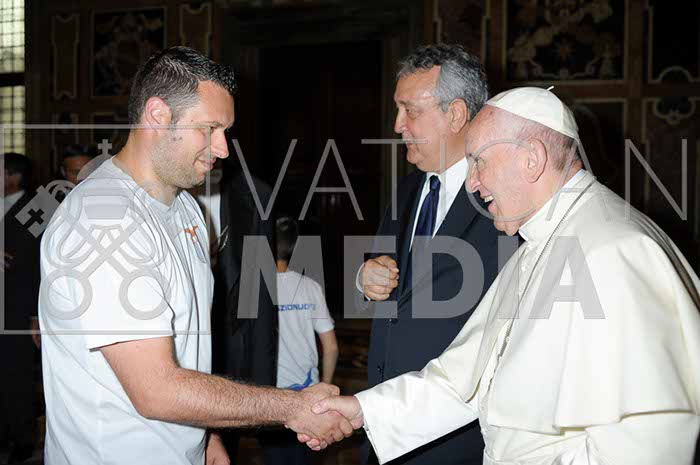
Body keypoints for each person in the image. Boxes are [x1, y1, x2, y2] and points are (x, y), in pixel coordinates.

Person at [307, 87, 700, 465]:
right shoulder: (536, 243)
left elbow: (646, 444)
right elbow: (464, 379)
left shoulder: (614, 249)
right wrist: (363, 410)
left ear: (531, 158)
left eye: (479, 161)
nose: (472, 183)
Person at [38, 46, 352, 465]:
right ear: (157, 115)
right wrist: (292, 407)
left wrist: (206, 436)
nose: (223, 149)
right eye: (209, 129)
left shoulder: (189, 209)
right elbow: (156, 389)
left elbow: (189, 344)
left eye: (226, 131)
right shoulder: (103, 220)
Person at [355, 44, 504, 465]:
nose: (397, 125)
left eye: (410, 111)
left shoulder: (501, 197)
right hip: (386, 423)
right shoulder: (406, 189)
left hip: (458, 437)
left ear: (455, 114)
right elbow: (383, 283)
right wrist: (364, 279)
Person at [200, 156, 280, 459]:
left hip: (229, 354)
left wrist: (262, 385)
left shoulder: (256, 196)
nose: (219, 148)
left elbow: (261, 297)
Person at [258, 217, 338, 465]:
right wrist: (325, 386)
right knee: (303, 456)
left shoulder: (257, 289)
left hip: (270, 395)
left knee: (275, 457)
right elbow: (331, 347)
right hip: (308, 393)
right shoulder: (310, 287)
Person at [0, 152, 41, 463]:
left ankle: (23, 439)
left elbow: (39, 264)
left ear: (13, 176)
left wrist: (35, 314)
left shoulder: (38, 206)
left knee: (17, 376)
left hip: (18, 307)